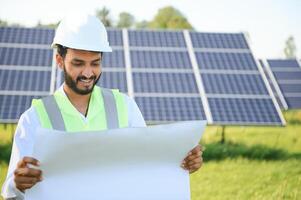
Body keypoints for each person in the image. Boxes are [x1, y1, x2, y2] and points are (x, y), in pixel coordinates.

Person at [1, 14, 203, 199]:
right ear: (60, 61)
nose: (88, 73)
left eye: (95, 63)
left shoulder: (125, 106)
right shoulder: (34, 118)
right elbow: (11, 190)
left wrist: (182, 162)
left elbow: (145, 166)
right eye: (78, 63)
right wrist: (18, 184)